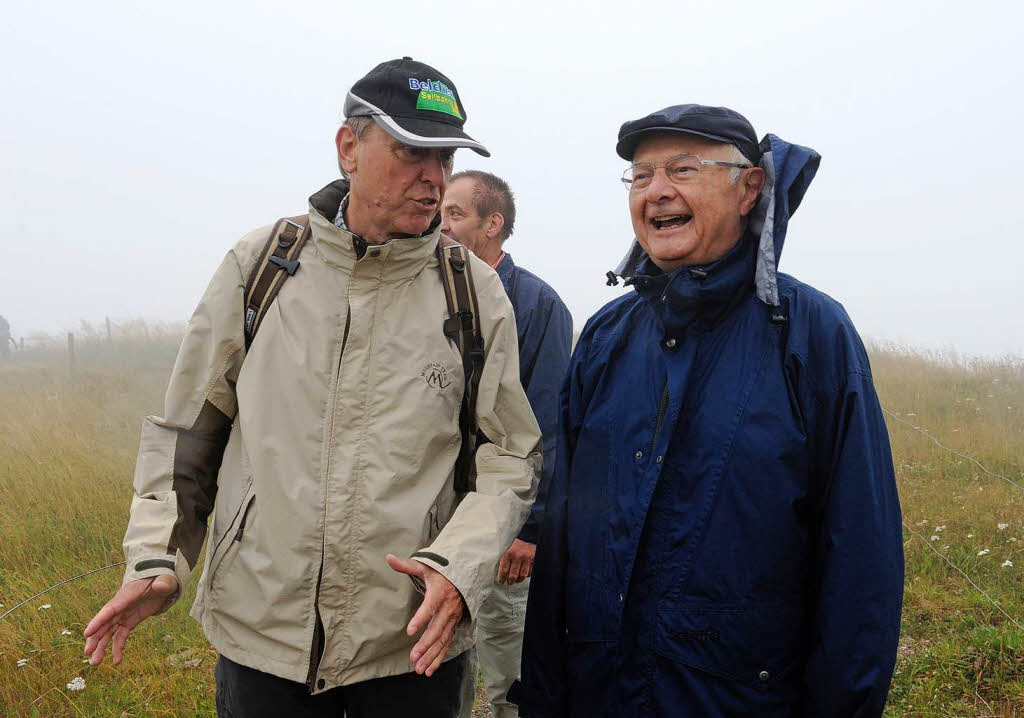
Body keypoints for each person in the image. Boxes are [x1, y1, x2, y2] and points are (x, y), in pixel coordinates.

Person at [83, 57, 542, 718]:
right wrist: (156, 558)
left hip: (411, 643)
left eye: (445, 159)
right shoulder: (262, 265)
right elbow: (189, 432)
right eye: (414, 151)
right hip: (261, 635)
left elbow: (509, 455)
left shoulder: (473, 289)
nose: (434, 178)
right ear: (348, 147)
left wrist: (458, 567)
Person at [513, 104, 904, 717]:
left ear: (750, 189)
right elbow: (562, 536)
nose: (657, 191)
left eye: (683, 169)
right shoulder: (605, 336)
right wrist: (543, 693)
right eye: (640, 177)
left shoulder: (811, 334)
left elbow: (860, 554)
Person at [440, 171, 572, 718]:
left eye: (455, 214)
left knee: (508, 672)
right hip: (436, 518)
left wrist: (531, 528)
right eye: (441, 211)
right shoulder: (430, 292)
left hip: (505, 526)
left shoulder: (538, 306)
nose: (440, 223)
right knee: (435, 661)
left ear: (493, 225)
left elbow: (549, 424)